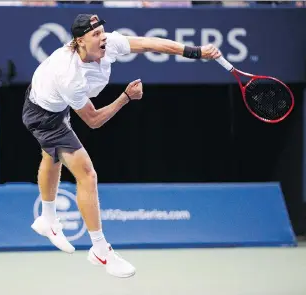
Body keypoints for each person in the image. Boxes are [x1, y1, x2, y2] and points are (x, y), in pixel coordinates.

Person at [22, 13, 221, 278]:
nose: (102, 37)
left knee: (52, 155)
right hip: (44, 113)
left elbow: (151, 44)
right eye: (95, 34)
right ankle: (100, 251)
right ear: (80, 41)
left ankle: (48, 219)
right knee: (87, 174)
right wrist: (125, 98)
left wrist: (195, 52)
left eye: (102, 31)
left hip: (49, 99)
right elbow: (93, 120)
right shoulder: (70, 75)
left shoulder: (109, 44)